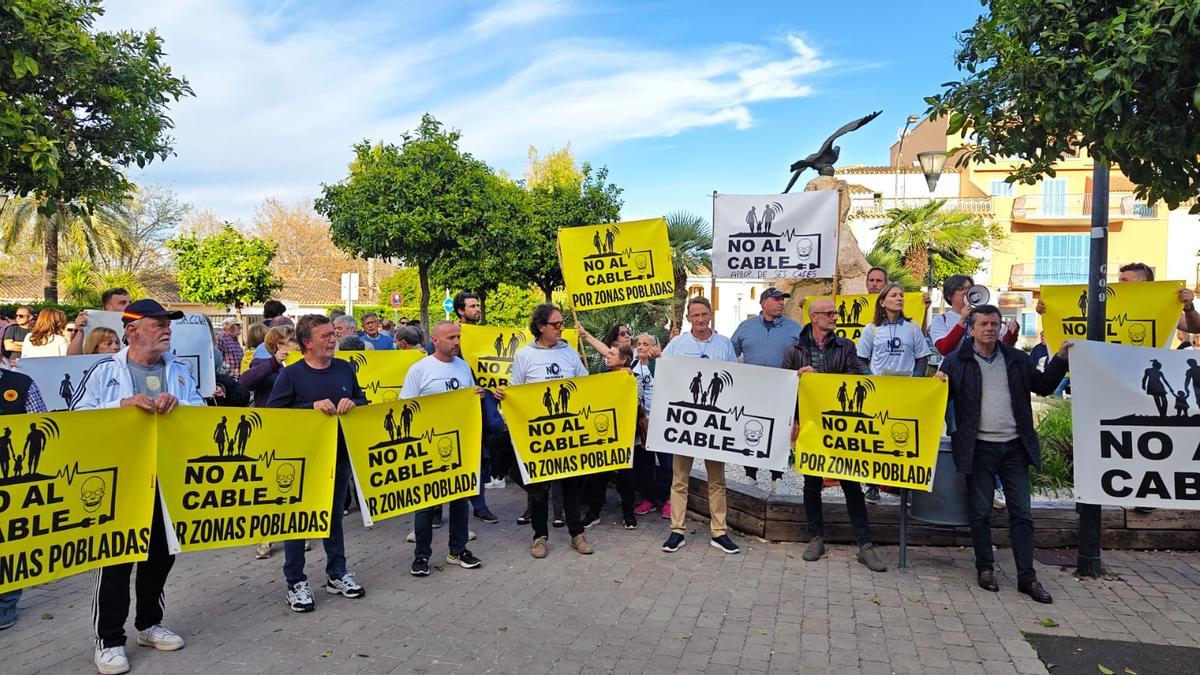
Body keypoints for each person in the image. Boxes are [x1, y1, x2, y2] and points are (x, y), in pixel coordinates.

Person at [71, 299, 205, 675]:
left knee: (162, 554)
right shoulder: (103, 371)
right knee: (116, 559)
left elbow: (202, 411)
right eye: (157, 323)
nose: (166, 329)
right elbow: (77, 417)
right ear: (132, 330)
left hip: (166, 479)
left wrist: (183, 407)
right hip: (121, 480)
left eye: (168, 324)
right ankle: (109, 640)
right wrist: (121, 404)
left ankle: (148, 624)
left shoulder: (178, 370)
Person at [935, 305, 1071, 604]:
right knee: (980, 512)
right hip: (977, 448)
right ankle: (985, 568)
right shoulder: (955, 362)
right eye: (983, 324)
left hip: (1014, 447)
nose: (990, 329)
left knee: (1021, 513)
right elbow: (936, 400)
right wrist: (938, 385)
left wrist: (1060, 357)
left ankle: (1027, 577)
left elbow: (1046, 387)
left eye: (994, 324)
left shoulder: (1017, 359)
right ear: (971, 329)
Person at [267, 315, 367, 612]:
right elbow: (275, 413)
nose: (332, 339)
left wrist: (355, 404)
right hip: (302, 460)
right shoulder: (291, 374)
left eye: (333, 334)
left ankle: (337, 574)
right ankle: (295, 580)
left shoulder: (344, 368)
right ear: (307, 343)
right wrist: (310, 408)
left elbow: (363, 400)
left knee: (334, 516)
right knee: (300, 519)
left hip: (338, 456)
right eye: (325, 336)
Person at [783, 298, 888, 572]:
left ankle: (865, 545)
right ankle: (816, 538)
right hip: (811, 426)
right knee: (811, 483)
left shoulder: (846, 347)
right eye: (829, 313)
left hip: (841, 426)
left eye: (835, 313)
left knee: (851, 483)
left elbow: (855, 379)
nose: (835, 317)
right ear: (814, 317)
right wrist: (792, 419)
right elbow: (786, 388)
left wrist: (819, 377)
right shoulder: (794, 350)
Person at [403, 321, 494, 576]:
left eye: (458, 337)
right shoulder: (419, 370)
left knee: (459, 501)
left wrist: (477, 397)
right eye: (451, 337)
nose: (456, 342)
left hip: (460, 446)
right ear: (435, 340)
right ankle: (421, 555)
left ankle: (458, 549)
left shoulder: (464, 367)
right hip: (429, 447)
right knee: (425, 504)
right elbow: (406, 408)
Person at [509, 303, 593, 558]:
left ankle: (576, 534)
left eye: (562, 323)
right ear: (541, 327)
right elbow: (516, 391)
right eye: (556, 324)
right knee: (539, 487)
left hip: (567, 432)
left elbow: (584, 383)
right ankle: (539, 536)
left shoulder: (569, 352)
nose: (561, 328)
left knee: (571, 485)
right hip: (539, 435)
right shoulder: (525, 356)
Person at [660, 296, 741, 554]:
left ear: (710, 315)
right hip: (686, 423)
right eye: (695, 316)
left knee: (717, 480)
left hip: (714, 426)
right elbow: (665, 374)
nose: (701, 320)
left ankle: (719, 532)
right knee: (679, 479)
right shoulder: (677, 344)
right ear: (688, 319)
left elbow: (736, 380)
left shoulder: (724, 344)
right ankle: (677, 530)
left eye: (704, 314)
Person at [731, 287, 801, 481]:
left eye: (782, 300)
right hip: (752, 389)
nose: (781, 303)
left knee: (779, 430)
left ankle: (776, 474)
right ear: (763, 303)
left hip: (781, 389)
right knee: (751, 425)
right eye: (776, 299)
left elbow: (804, 353)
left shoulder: (794, 328)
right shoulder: (746, 326)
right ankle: (750, 471)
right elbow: (730, 352)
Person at [0, 364, 49, 631]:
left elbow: (42, 424)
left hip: (8, 485)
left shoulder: (21, 384)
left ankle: (5, 602)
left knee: (6, 540)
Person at [450, 291, 499, 524]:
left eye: (478, 305)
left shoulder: (484, 334)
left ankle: (479, 504)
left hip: (479, 403)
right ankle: (437, 510)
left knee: (478, 456)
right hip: (454, 408)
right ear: (460, 310)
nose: (477, 309)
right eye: (472, 306)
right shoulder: (452, 334)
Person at [581, 341, 639, 530]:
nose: (608, 356)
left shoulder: (631, 378)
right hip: (603, 432)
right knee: (599, 474)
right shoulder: (602, 377)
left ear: (624, 360)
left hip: (624, 434)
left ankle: (628, 514)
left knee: (626, 476)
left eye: (612, 354)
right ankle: (593, 513)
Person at [630, 333, 670, 519]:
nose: (641, 347)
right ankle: (650, 499)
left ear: (654, 347)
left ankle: (668, 499)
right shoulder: (631, 366)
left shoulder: (661, 364)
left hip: (662, 420)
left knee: (667, 463)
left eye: (645, 344)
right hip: (642, 423)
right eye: (638, 343)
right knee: (645, 464)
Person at [856, 284, 931, 377]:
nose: (899, 298)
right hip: (880, 387)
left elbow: (922, 358)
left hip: (906, 386)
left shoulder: (913, 326)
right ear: (882, 302)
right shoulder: (871, 329)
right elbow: (860, 359)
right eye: (894, 295)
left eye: (901, 295)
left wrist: (915, 378)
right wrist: (870, 377)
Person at [931, 275, 1018, 356]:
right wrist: (962, 321)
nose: (966, 292)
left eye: (969, 288)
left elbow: (1005, 346)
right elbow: (944, 349)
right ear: (949, 296)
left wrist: (1012, 331)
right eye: (961, 289)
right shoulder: (940, 320)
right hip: (953, 370)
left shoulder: (984, 317)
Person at [67, 287, 132, 355]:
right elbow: (72, 356)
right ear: (109, 307)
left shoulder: (138, 322)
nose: (129, 305)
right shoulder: (91, 322)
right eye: (123, 303)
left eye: (130, 302)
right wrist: (80, 330)